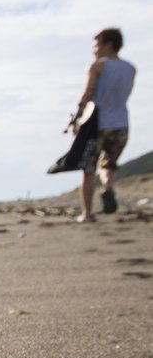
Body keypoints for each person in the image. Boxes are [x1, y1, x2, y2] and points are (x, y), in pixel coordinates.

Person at [72, 27, 136, 222]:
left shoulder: (98, 66)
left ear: (108, 44)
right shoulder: (130, 68)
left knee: (89, 168)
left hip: (98, 123)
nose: (94, 50)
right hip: (122, 123)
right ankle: (108, 188)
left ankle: (87, 214)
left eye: (97, 45)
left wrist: (77, 117)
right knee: (109, 163)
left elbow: (89, 93)